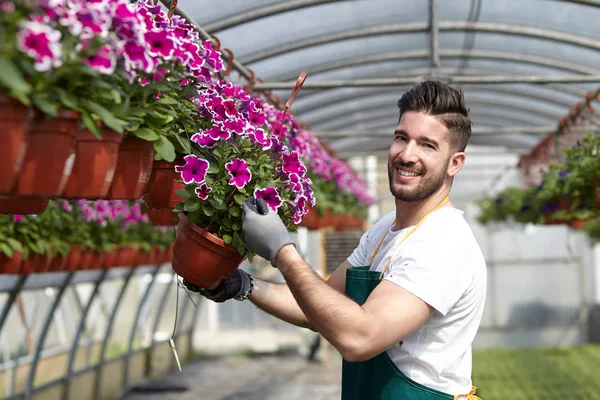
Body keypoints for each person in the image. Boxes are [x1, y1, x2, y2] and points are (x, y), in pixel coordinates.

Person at [185, 80, 487, 400]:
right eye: (402, 138)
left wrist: (283, 252)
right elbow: (321, 307)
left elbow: (360, 338)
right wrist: (242, 285)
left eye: (427, 145)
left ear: (455, 163)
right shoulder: (385, 230)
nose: (407, 154)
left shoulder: (443, 242)